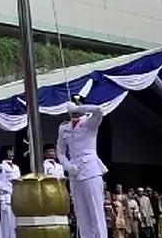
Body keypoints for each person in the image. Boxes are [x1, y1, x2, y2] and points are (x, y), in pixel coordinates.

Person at [57, 95, 107, 238]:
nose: (73, 109)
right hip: (74, 173)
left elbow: (99, 110)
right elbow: (60, 151)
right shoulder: (64, 127)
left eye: (77, 104)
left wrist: (78, 107)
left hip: (90, 170)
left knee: (96, 212)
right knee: (81, 215)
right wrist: (67, 166)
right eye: (72, 106)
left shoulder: (89, 122)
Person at [0, 147, 20, 238]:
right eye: (10, 151)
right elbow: (0, 181)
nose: (12, 154)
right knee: (6, 222)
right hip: (5, 196)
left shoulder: (16, 167)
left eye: (13, 152)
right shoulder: (1, 166)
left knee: (14, 222)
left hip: (15, 196)